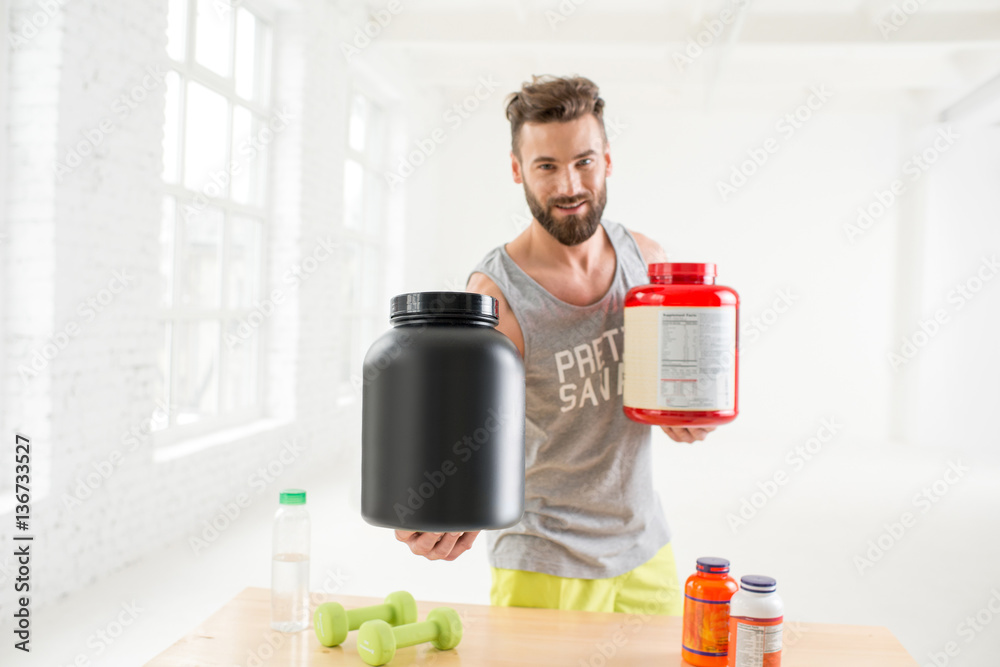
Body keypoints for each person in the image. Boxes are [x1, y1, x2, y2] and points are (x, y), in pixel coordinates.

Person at [395, 75, 716, 615]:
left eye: (584, 161)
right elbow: (468, 431)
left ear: (607, 161)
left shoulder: (646, 260)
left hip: (645, 545)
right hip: (543, 558)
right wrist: (441, 505)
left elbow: (668, 389)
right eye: (547, 166)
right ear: (518, 171)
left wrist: (685, 414)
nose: (570, 185)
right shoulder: (497, 294)